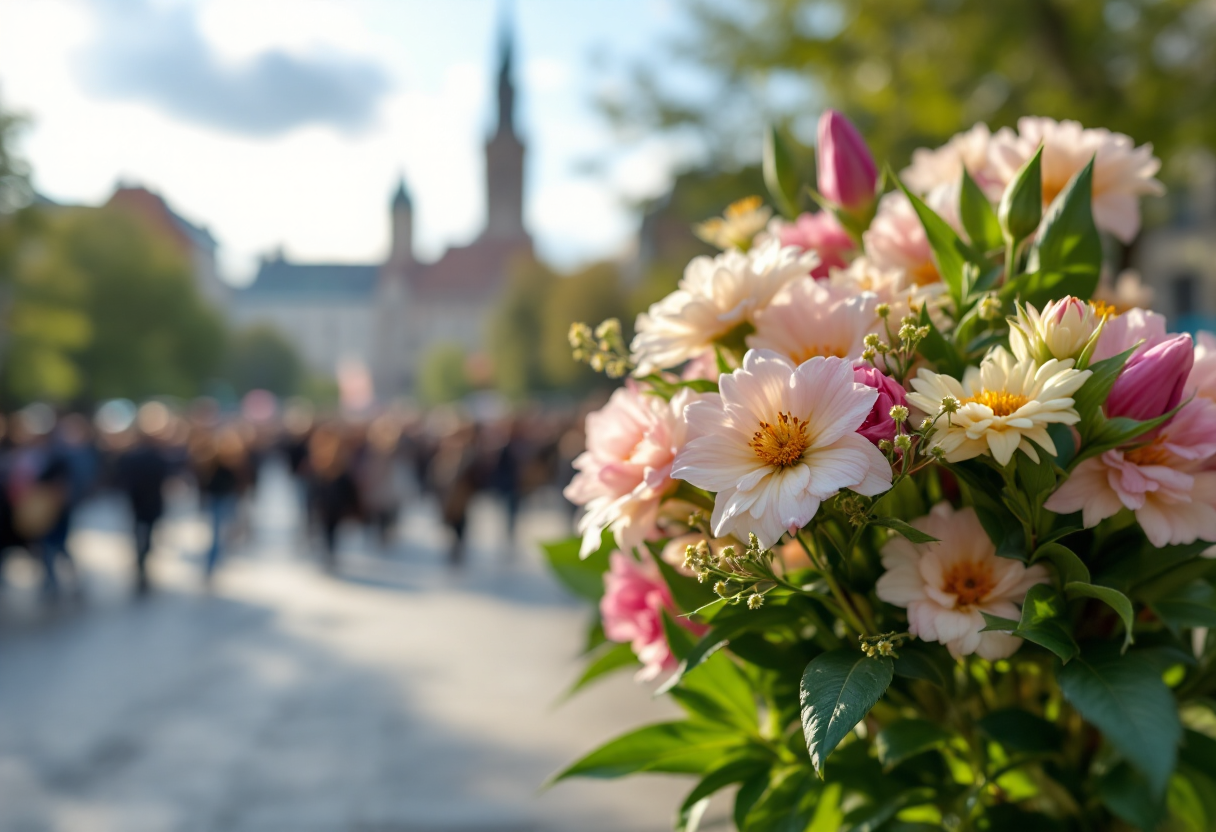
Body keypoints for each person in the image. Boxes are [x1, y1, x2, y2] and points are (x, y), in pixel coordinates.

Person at [115, 424, 171, 594]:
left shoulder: (131, 457)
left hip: (137, 503)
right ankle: (142, 561)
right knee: (147, 536)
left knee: (138, 534)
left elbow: (122, 479)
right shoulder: (158, 457)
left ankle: (140, 562)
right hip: (151, 503)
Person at [192, 426, 249, 581]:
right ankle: (212, 563)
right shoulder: (212, 459)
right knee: (217, 533)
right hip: (218, 498)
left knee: (225, 531)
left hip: (226, 498)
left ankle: (217, 559)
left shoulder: (233, 459)